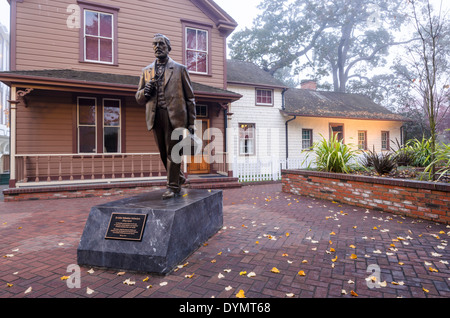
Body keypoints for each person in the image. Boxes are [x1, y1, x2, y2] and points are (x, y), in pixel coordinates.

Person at [136, 33, 196, 199]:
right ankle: (178, 177)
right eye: (154, 44)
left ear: (168, 48)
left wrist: (192, 123)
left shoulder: (179, 69)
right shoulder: (147, 71)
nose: (157, 47)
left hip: (175, 117)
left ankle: (173, 187)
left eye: (161, 44)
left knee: (173, 152)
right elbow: (139, 98)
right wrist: (144, 92)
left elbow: (190, 98)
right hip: (156, 117)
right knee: (163, 153)